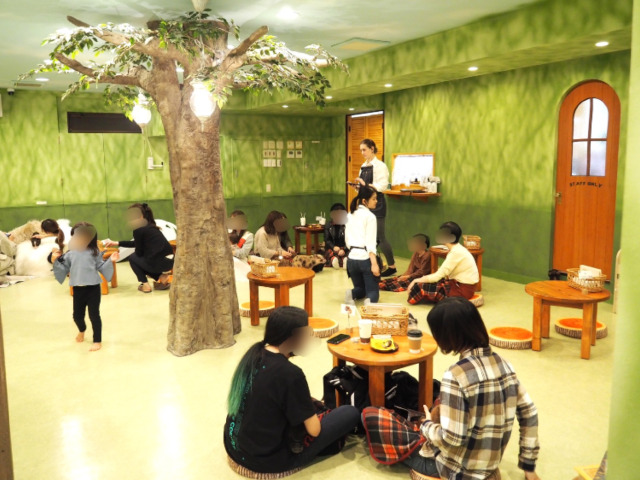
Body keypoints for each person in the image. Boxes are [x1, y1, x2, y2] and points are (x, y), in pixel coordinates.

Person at [402, 297, 541, 479]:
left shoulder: (455, 375)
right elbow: (529, 413)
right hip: (489, 466)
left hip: (457, 470)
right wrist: (528, 466)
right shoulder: (505, 365)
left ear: (446, 334)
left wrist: (427, 426)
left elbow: (452, 438)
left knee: (381, 424)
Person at [224, 306, 360, 474]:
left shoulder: (253, 354)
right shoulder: (291, 374)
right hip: (268, 460)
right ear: (292, 338)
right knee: (350, 413)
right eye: (306, 334)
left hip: (234, 445)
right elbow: (314, 431)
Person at [52, 222, 118, 352]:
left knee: (94, 315)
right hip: (78, 289)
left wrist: (111, 260)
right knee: (77, 316)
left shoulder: (94, 252)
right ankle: (82, 330)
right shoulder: (70, 253)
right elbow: (63, 268)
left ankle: (97, 340)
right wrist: (55, 260)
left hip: (93, 288)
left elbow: (101, 266)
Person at [103, 203, 173, 293]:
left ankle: (146, 285)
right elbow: (136, 243)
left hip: (159, 263)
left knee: (133, 258)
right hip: (169, 262)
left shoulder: (139, 229)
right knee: (142, 259)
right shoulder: (150, 227)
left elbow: (139, 252)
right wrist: (116, 243)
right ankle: (161, 277)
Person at [407, 221, 479, 304]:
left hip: (462, 290)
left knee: (419, 287)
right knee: (427, 283)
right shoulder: (457, 249)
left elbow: (437, 276)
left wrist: (415, 280)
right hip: (459, 285)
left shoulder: (456, 252)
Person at [354, 139, 396, 277]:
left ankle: (392, 266)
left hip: (377, 203)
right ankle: (372, 264)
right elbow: (364, 187)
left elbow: (382, 186)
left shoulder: (380, 166)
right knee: (367, 237)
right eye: (361, 150)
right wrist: (358, 188)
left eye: (364, 149)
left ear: (372, 148)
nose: (362, 153)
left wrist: (366, 185)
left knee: (380, 237)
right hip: (365, 203)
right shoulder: (363, 166)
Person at [345, 185, 380, 304]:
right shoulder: (371, 217)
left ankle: (351, 293)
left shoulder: (349, 214)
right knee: (373, 292)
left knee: (360, 289)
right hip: (365, 259)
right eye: (374, 199)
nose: (376, 201)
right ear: (364, 201)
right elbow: (371, 243)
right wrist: (374, 264)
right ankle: (369, 303)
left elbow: (347, 240)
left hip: (351, 260)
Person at [323, 203, 349, 269]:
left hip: (344, 248)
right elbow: (327, 240)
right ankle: (334, 260)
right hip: (333, 248)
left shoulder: (347, 225)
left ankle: (345, 260)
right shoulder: (328, 225)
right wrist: (333, 247)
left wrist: (344, 249)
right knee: (329, 253)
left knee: (351, 253)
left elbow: (350, 240)